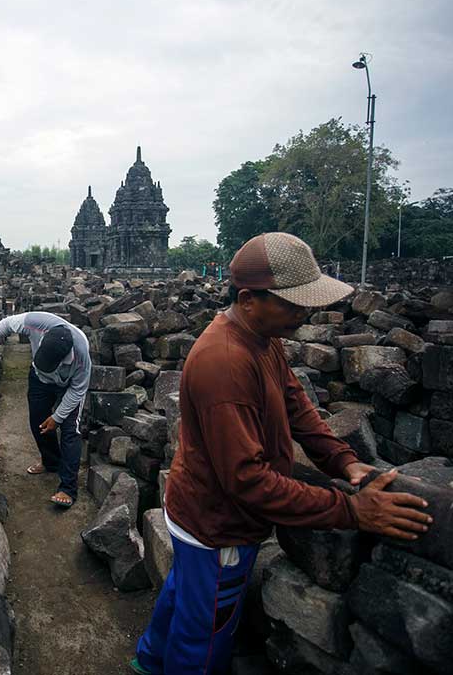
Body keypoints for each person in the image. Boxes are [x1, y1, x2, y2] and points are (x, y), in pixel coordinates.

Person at [130, 233, 432, 674]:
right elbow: (247, 480)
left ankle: (149, 660)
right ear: (249, 299)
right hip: (218, 523)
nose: (304, 312)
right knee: (206, 632)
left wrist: (342, 460)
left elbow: (295, 403)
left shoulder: (260, 335)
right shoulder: (226, 362)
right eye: (292, 303)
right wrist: (351, 511)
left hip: (196, 504)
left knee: (186, 594)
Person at [0, 311, 91, 508]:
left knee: (71, 431)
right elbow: (5, 324)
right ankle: (51, 462)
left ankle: (68, 488)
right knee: (38, 421)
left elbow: (78, 390)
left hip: (69, 386)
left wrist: (57, 417)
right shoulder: (36, 322)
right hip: (39, 378)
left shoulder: (81, 355)